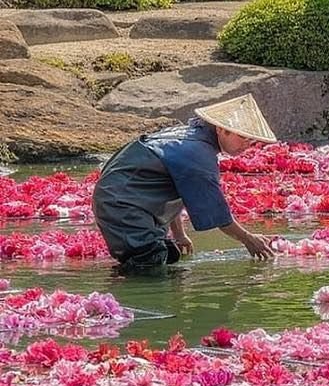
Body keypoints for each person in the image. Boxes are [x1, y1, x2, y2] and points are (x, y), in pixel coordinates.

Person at [92, 94, 279, 270]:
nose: (247, 145)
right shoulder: (197, 153)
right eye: (243, 137)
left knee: (168, 254)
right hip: (122, 204)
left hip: (122, 199)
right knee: (147, 261)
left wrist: (179, 235)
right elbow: (217, 213)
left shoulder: (189, 137)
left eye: (252, 141)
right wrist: (248, 239)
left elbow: (176, 187)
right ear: (222, 129)